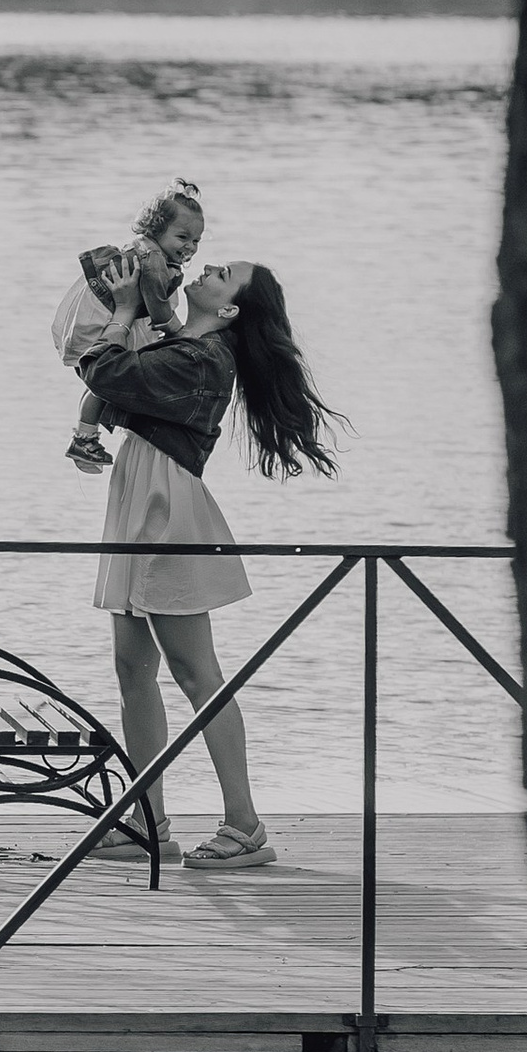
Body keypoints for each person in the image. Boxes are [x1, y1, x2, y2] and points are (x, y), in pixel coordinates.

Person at [68, 255, 339, 874]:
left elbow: (106, 372)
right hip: (140, 506)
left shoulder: (200, 358)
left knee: (196, 672)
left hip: (168, 516)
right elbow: (117, 386)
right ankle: (148, 820)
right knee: (132, 668)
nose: (207, 266)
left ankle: (244, 825)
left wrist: (126, 308)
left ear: (230, 309)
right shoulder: (178, 344)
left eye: (221, 273)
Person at [59, 181, 203, 472]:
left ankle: (87, 435)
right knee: (106, 383)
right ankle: (84, 439)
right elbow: (158, 306)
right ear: (155, 229)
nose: (189, 247)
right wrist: (178, 331)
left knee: (108, 382)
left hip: (107, 317)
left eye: (196, 241)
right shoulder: (151, 261)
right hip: (105, 321)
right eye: (182, 237)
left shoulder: (149, 252)